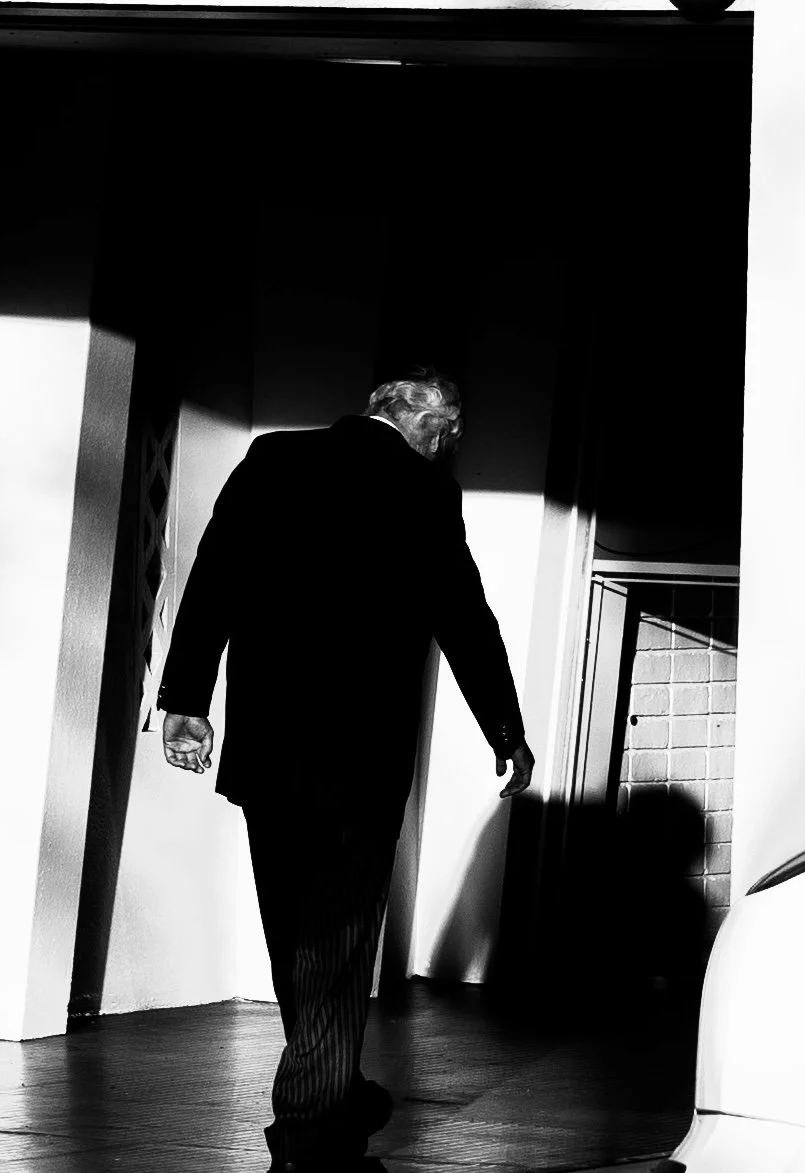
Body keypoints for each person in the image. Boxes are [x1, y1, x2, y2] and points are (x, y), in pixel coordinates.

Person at [155, 370, 535, 1173]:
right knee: (335, 943)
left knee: (295, 936)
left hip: (267, 751)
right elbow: (466, 617)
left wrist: (186, 696)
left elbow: (212, 576)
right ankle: (305, 1136)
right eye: (448, 440)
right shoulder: (426, 491)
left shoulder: (271, 459)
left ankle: (335, 1092)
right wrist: (505, 726)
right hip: (361, 764)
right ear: (433, 429)